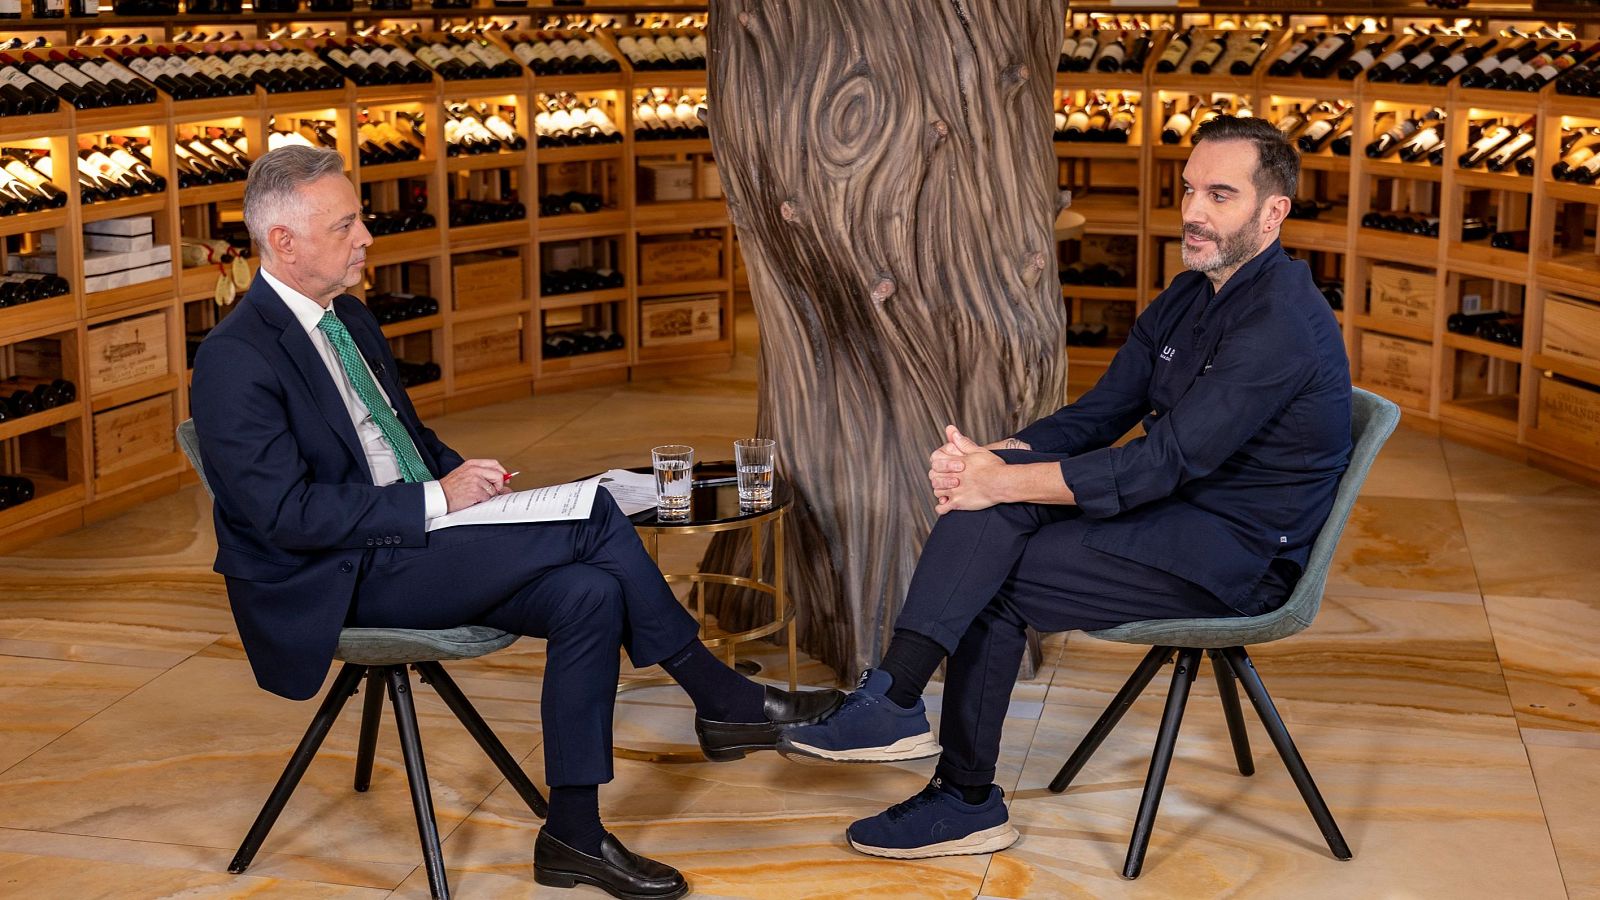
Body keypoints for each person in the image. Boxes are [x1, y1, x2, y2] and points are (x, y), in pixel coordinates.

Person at [190, 146, 841, 900]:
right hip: (337, 576)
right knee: (596, 516)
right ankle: (720, 699)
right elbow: (284, 514)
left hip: (415, 542)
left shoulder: (351, 319)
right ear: (284, 242)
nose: (367, 236)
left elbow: (408, 438)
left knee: (590, 593)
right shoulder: (235, 358)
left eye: (360, 218)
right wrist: (440, 502)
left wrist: (468, 482)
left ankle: (573, 836)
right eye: (347, 224)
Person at [779, 116, 1352, 860]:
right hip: (1179, 516)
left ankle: (962, 795)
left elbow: (1159, 464)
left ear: (1273, 212)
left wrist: (1000, 478)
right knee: (998, 506)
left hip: (1236, 558)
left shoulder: (1280, 323)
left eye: (1220, 194)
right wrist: (994, 456)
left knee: (1000, 571)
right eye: (1188, 191)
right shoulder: (1191, 292)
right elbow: (1101, 413)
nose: (1193, 213)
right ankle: (893, 701)